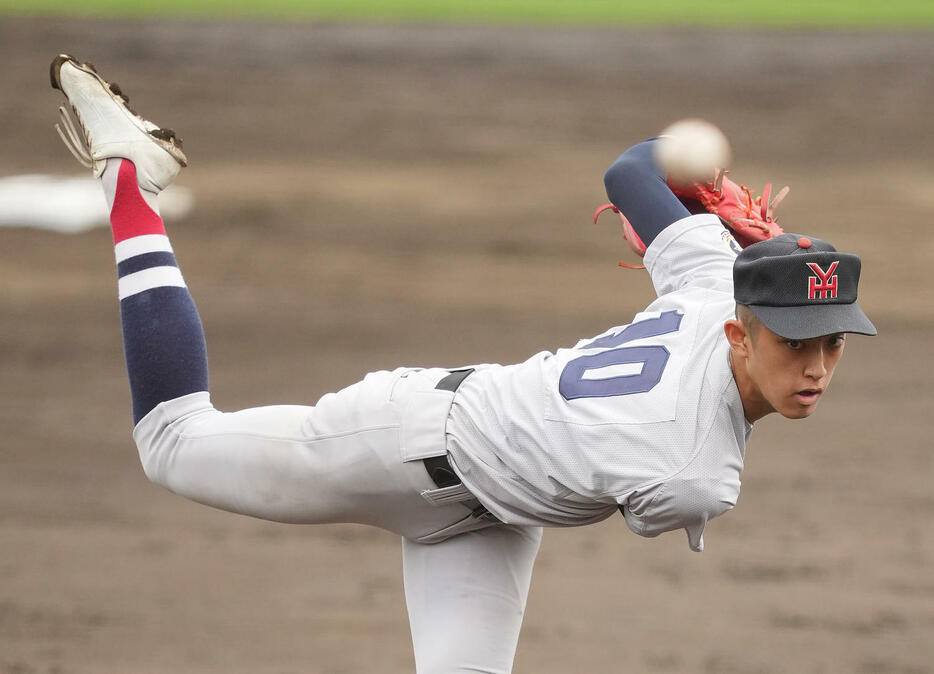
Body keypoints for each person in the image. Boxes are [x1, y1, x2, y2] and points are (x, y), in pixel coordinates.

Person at [50, 53, 876, 673]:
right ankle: (132, 179)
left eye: (832, 341)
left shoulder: (705, 283)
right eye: (794, 341)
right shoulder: (698, 476)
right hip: (403, 440)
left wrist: (708, 191)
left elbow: (631, 170)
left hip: (491, 522)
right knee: (172, 442)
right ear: (742, 334)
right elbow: (664, 473)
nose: (816, 366)